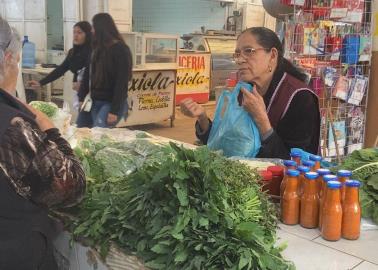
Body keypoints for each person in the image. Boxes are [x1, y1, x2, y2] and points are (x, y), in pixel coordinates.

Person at [0, 17, 86, 269]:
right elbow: (70, 187)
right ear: (7, 60)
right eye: (16, 62)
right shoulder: (11, 128)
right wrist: (49, 128)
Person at [181, 27, 320, 159]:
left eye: (249, 51)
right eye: (237, 54)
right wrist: (202, 118)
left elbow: (296, 163)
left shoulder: (298, 97)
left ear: (272, 55)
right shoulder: (244, 89)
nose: (240, 60)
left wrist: (262, 121)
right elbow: (225, 142)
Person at [28, 21, 93, 128]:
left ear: (88, 35)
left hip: (95, 96)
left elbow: (90, 72)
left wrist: (81, 84)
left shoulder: (93, 52)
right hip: (83, 98)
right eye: (74, 32)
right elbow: (61, 69)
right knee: (82, 127)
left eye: (80, 33)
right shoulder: (73, 52)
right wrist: (40, 82)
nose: (75, 35)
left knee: (94, 128)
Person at [78, 13, 132, 128]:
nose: (92, 30)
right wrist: (81, 97)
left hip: (111, 103)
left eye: (93, 27)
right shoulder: (96, 49)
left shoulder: (121, 50)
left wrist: (114, 110)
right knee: (80, 132)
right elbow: (87, 75)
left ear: (101, 28)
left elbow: (122, 82)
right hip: (93, 101)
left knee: (98, 136)